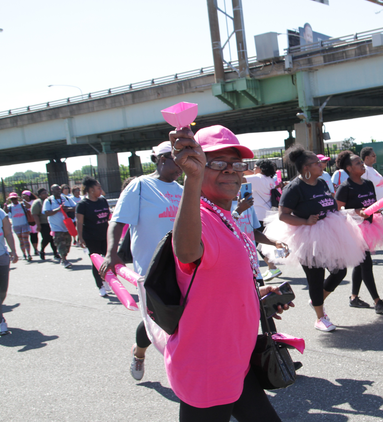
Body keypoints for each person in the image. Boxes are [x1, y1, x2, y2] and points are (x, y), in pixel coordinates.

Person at [167, 124, 293, 421]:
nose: (231, 171)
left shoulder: (228, 217)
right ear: (197, 166)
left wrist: (256, 296)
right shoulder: (200, 215)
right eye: (218, 164)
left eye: (237, 165)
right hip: (208, 365)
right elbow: (186, 251)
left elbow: (218, 279)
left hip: (237, 357)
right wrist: (192, 180)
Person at [99, 140, 184, 381]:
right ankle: (139, 353)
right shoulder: (140, 185)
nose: (179, 164)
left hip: (182, 267)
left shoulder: (182, 190)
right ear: (159, 159)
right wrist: (111, 253)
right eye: (173, 158)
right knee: (154, 320)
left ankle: (185, 370)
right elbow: (117, 221)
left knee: (182, 319)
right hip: (151, 269)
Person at [263, 144, 367, 332]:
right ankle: (320, 317)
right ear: (306, 168)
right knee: (316, 278)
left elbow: (330, 204)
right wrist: (305, 221)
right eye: (316, 163)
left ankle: (317, 299)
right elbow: (283, 215)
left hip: (330, 231)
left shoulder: (321, 182)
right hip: (307, 236)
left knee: (339, 271)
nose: (321, 165)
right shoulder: (294, 187)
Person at [334, 151, 383, 314]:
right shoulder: (345, 187)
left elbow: (372, 205)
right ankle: (377, 301)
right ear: (349, 168)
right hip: (354, 230)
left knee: (361, 264)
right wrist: (355, 211)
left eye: (361, 162)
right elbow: (336, 211)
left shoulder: (368, 183)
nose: (362, 165)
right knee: (366, 264)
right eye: (358, 163)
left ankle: (354, 298)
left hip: (370, 226)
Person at [245, 159, 283, 280]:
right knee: (262, 242)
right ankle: (271, 267)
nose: (254, 169)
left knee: (255, 243)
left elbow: (240, 178)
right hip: (267, 215)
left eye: (255, 167)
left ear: (260, 168)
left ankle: (272, 267)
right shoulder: (270, 180)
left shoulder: (257, 178)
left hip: (257, 215)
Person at [75, 176, 112, 297]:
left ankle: (106, 280)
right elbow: (79, 222)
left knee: (108, 260)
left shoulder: (103, 201)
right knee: (97, 263)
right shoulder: (83, 204)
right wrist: (80, 238)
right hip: (91, 237)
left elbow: (108, 217)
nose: (100, 190)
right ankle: (100, 285)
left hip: (104, 235)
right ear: (91, 190)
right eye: (98, 188)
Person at [0, 201, 19, 336]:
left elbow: (8, 233)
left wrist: (13, 251)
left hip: (1, 256)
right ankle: (1, 321)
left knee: (2, 290)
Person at [42, 184, 77, 268]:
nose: (58, 191)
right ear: (52, 191)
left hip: (67, 226)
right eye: (56, 190)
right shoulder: (48, 200)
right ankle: (64, 259)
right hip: (56, 227)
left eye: (59, 189)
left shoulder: (66, 198)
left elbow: (75, 207)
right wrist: (58, 209)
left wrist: (67, 209)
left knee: (67, 243)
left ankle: (64, 257)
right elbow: (47, 213)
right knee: (60, 243)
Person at [5, 192, 33, 261]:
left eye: (15, 198)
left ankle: (29, 254)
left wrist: (22, 200)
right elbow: (5, 211)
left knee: (25, 239)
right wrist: (6, 202)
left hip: (24, 224)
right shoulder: (10, 206)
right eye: (12, 199)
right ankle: (24, 254)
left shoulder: (22, 204)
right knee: (21, 240)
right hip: (16, 225)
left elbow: (29, 206)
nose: (14, 200)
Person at [34, 188, 59, 260]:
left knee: (53, 239)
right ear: (39, 195)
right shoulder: (38, 202)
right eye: (43, 193)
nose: (46, 194)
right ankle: (42, 250)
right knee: (46, 238)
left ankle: (55, 253)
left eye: (46, 192)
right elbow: (35, 214)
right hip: (43, 223)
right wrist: (38, 225)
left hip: (51, 223)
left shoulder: (49, 200)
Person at [22, 190, 41, 258]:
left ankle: (36, 249)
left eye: (25, 196)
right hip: (27, 221)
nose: (24, 197)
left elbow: (29, 206)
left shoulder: (34, 201)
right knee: (30, 236)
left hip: (34, 220)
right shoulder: (22, 203)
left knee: (35, 235)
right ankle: (30, 250)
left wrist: (23, 201)